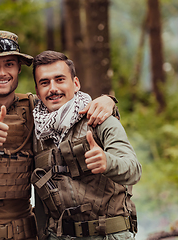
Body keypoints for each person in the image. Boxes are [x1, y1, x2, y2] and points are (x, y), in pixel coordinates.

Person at [0, 30, 118, 240]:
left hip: (23, 228)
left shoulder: (34, 107)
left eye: (9, 64)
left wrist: (107, 101)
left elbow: (72, 109)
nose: (2, 72)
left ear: (19, 67)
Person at [30, 50, 142, 240]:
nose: (53, 88)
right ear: (38, 92)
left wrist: (108, 162)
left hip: (108, 235)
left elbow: (133, 169)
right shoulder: (37, 132)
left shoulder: (100, 119)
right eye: (44, 83)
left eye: (60, 79)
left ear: (75, 83)